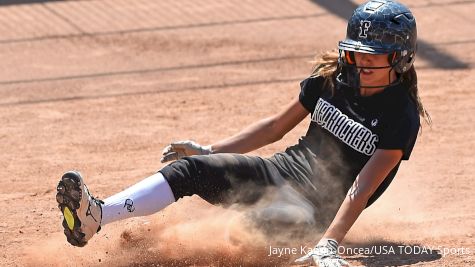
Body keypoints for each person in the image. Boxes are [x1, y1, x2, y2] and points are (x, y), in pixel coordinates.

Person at [55, 0, 430, 266]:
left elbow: (361, 188)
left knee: (259, 227)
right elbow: (273, 127)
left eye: (372, 56)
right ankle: (98, 216)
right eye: (355, 52)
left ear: (399, 58)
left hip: (311, 209)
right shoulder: (331, 80)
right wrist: (207, 148)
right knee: (191, 170)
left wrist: (330, 242)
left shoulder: (401, 115)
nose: (360, 62)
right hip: (276, 171)